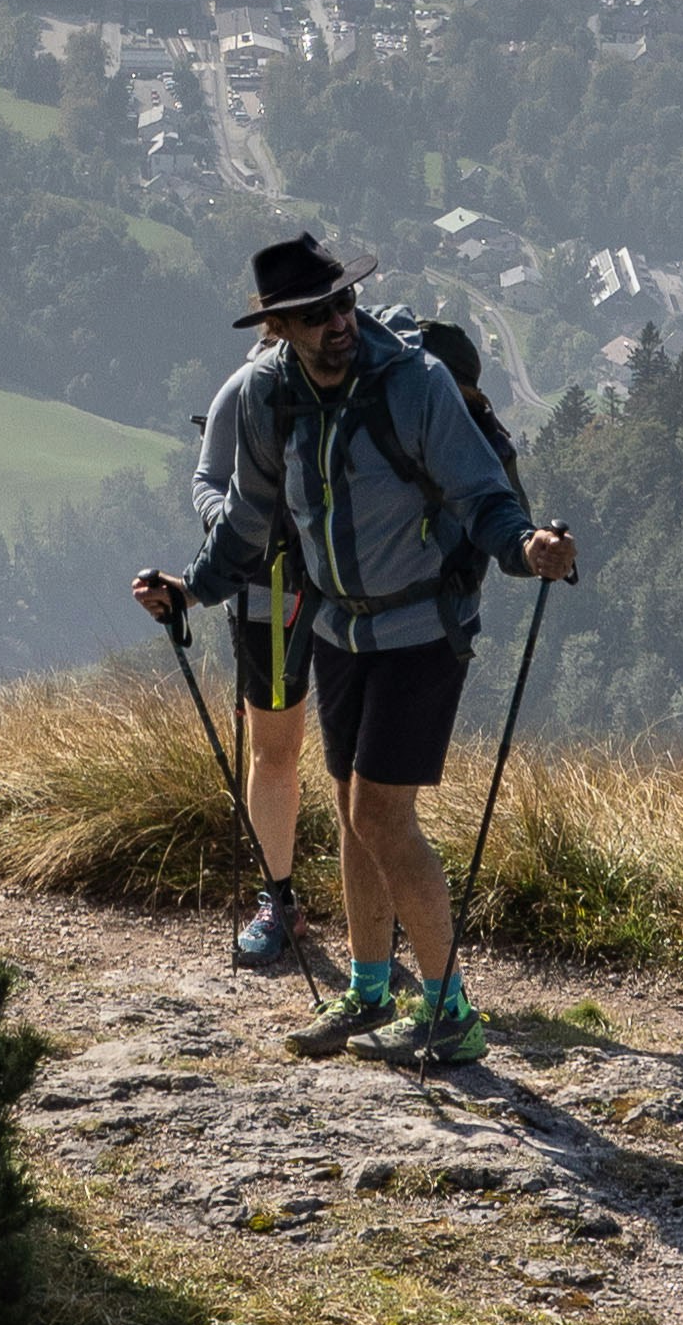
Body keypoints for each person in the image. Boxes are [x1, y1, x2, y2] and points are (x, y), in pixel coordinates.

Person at [134, 224, 573, 1065]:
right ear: (282, 327)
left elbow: (483, 497)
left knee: (379, 813)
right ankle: (371, 992)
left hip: (420, 626)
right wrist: (192, 590)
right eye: (314, 312)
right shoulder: (270, 396)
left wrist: (526, 551)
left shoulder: (417, 383)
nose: (337, 320)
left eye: (342, 301)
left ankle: (449, 1011)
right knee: (348, 810)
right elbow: (248, 526)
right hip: (335, 626)